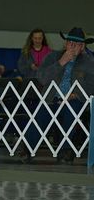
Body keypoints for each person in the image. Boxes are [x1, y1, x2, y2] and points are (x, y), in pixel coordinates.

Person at [36, 27, 94, 163]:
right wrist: (61, 62)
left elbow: (92, 87)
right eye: (70, 43)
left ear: (82, 47)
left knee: (71, 111)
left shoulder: (90, 63)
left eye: (77, 44)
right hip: (52, 98)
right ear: (65, 44)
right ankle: (27, 147)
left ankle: (66, 150)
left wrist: (75, 95)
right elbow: (41, 78)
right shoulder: (52, 57)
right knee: (41, 113)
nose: (73, 47)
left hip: (76, 100)